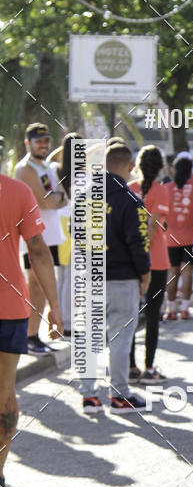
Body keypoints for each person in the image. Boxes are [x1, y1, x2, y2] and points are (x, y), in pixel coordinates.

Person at [0, 173, 64, 487]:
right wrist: (55, 307)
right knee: (4, 395)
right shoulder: (17, 191)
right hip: (9, 307)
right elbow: (37, 250)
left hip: (11, 308)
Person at [79, 143, 151, 414]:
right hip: (123, 278)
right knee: (120, 339)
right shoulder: (130, 200)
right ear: (130, 166)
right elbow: (139, 243)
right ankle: (120, 395)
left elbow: (77, 238)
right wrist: (145, 275)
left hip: (91, 277)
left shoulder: (84, 197)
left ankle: (89, 396)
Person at [14, 123, 67, 354]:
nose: (44, 145)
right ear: (28, 143)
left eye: (46, 140)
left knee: (44, 287)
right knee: (35, 287)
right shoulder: (25, 169)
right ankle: (29, 336)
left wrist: (56, 198)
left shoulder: (46, 167)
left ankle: (34, 335)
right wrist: (57, 198)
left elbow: (61, 198)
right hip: (33, 237)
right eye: (38, 141)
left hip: (50, 236)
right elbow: (46, 201)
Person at [129, 146, 170, 385]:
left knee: (130, 315)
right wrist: (144, 256)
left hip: (131, 261)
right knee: (153, 316)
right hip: (156, 261)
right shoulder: (161, 190)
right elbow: (153, 226)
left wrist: (136, 256)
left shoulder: (129, 188)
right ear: (160, 167)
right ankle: (149, 368)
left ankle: (131, 367)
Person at [164, 154, 193, 320]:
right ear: (190, 171)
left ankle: (170, 309)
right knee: (187, 273)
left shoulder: (166, 188)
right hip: (191, 238)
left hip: (170, 238)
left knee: (172, 273)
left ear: (174, 170)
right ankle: (184, 309)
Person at [48, 131, 83, 338]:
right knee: (71, 278)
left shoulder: (53, 171)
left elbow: (50, 159)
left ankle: (61, 322)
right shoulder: (84, 176)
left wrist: (63, 148)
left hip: (57, 226)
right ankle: (68, 324)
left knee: (61, 277)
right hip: (75, 225)